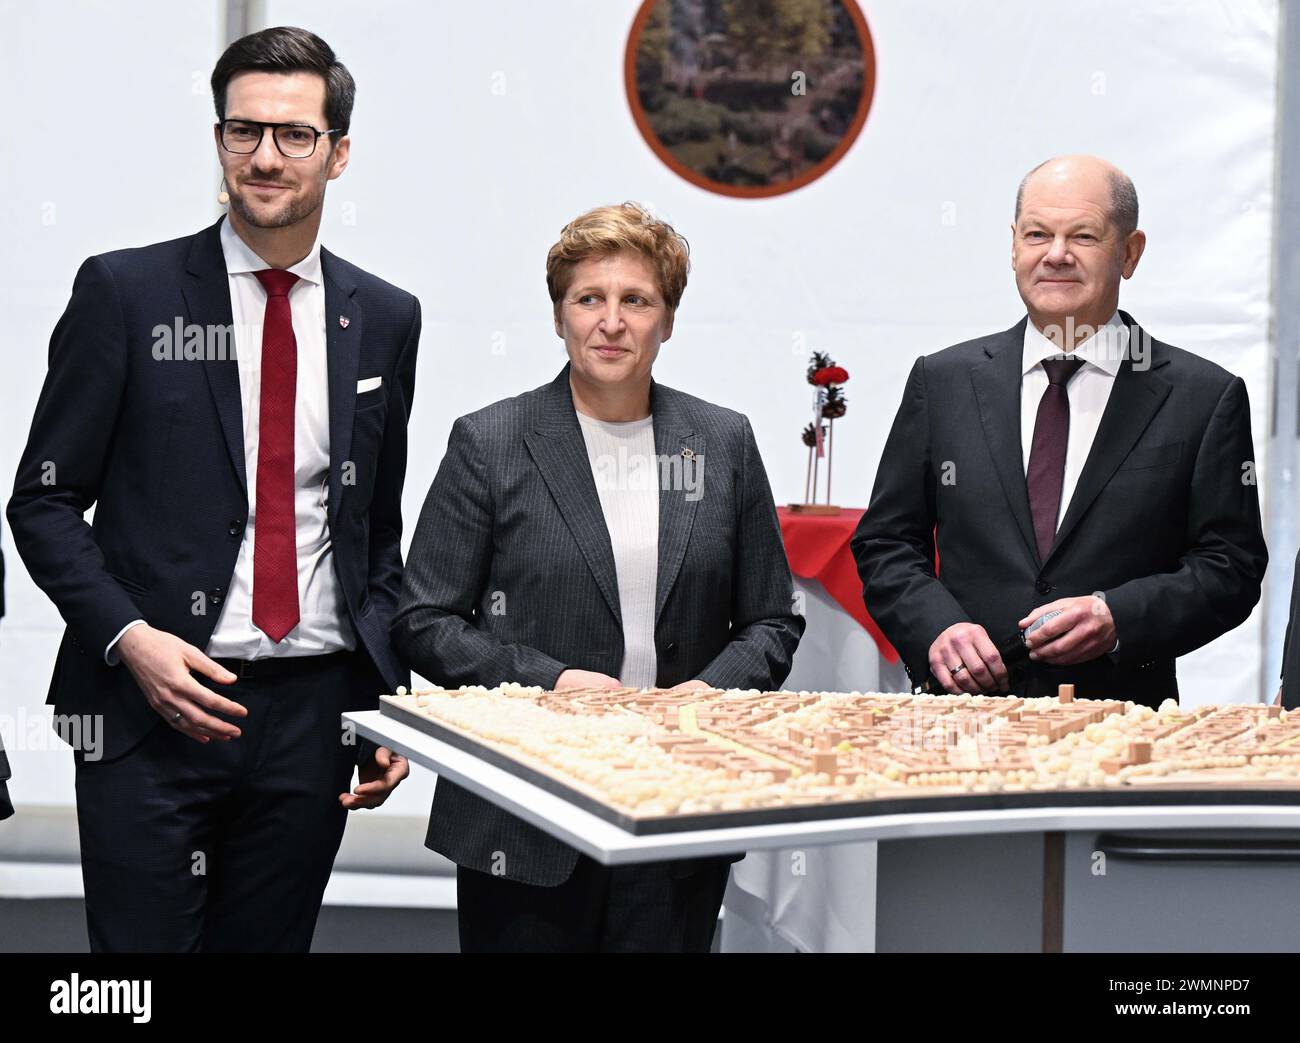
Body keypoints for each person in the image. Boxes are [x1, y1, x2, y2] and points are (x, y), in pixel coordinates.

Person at [7, 26, 418, 951]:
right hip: (147, 711)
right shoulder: (125, 292)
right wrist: (128, 638)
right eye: (243, 131)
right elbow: (41, 501)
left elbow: (372, 537)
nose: (265, 156)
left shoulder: (386, 318)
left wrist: (389, 697)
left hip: (314, 720)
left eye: (294, 135)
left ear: (338, 152)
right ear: (221, 140)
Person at [392, 202, 804, 952]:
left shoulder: (723, 441)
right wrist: (549, 682)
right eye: (590, 299)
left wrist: (713, 690)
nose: (611, 321)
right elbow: (424, 620)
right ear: (559, 318)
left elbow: (773, 619)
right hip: (521, 812)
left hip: (674, 803)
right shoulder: (491, 442)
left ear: (667, 321)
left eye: (636, 300)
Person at [852, 155, 1266, 706]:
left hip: (1120, 731)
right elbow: (886, 541)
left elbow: (1230, 566)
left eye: (1084, 236)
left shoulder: (1203, 396)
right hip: (961, 721)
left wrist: (1117, 617)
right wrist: (937, 629)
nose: (1056, 255)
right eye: (1038, 234)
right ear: (1013, 244)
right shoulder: (943, 381)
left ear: (1130, 252)